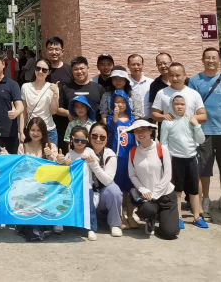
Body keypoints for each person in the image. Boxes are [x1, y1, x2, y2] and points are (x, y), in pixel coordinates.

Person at [188, 48, 221, 217]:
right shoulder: (195, 81)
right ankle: (206, 198)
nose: (211, 61)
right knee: (204, 168)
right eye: (207, 58)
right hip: (204, 131)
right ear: (202, 60)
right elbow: (191, 106)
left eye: (214, 58)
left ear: (219, 60)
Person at [59, 123, 123, 239]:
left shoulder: (109, 154)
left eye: (102, 137)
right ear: (89, 137)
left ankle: (114, 224)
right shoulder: (78, 150)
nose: (98, 139)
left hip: (100, 192)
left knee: (114, 191)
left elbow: (108, 181)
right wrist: (60, 160)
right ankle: (61, 222)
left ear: (107, 139)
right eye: (94, 136)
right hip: (79, 190)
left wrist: (93, 163)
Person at [158, 95, 208, 229]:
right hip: (175, 160)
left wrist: (196, 125)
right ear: (171, 106)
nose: (179, 107)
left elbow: (201, 140)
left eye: (182, 104)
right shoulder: (167, 122)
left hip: (192, 158)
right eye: (176, 104)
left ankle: (196, 217)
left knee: (194, 190)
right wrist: (165, 162)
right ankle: (178, 216)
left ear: (186, 106)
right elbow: (163, 143)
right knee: (177, 190)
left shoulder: (191, 119)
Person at [127, 120, 178, 240]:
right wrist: (143, 189)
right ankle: (151, 217)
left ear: (150, 131)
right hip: (146, 197)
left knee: (170, 233)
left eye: (144, 130)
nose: (140, 133)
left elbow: (167, 175)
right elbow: (132, 175)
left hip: (165, 196)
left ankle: (163, 218)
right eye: (137, 131)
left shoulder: (161, 148)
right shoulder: (133, 151)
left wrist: (155, 194)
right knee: (146, 210)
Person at [16, 117, 60, 241]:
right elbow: (19, 168)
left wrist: (51, 156)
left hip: (46, 187)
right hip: (27, 186)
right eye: (32, 130)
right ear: (28, 131)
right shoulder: (22, 147)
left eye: (38, 130)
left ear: (43, 131)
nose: (35, 133)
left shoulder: (51, 146)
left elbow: (57, 170)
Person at [105, 90, 136, 228]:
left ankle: (130, 215)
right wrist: (115, 115)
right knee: (118, 188)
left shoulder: (132, 119)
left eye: (123, 102)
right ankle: (119, 216)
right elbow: (111, 127)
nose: (120, 104)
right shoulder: (111, 118)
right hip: (117, 158)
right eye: (117, 102)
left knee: (129, 188)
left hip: (129, 158)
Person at [58, 56, 104, 147]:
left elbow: (105, 110)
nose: (79, 71)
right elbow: (58, 109)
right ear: (72, 71)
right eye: (76, 69)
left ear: (88, 68)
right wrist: (69, 113)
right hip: (75, 138)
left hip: (95, 136)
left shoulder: (98, 88)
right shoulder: (66, 88)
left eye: (82, 68)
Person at [20, 58, 60, 146]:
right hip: (31, 131)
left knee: (50, 155)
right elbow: (23, 112)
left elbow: (54, 111)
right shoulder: (25, 87)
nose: (40, 71)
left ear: (49, 72)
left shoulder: (52, 87)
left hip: (48, 131)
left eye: (44, 70)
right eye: (38, 68)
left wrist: (55, 94)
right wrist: (21, 132)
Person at [127, 54, 153, 119]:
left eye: (138, 64)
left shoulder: (151, 83)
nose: (136, 67)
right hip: (131, 120)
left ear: (142, 65)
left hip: (148, 120)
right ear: (128, 66)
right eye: (133, 64)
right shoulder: (126, 83)